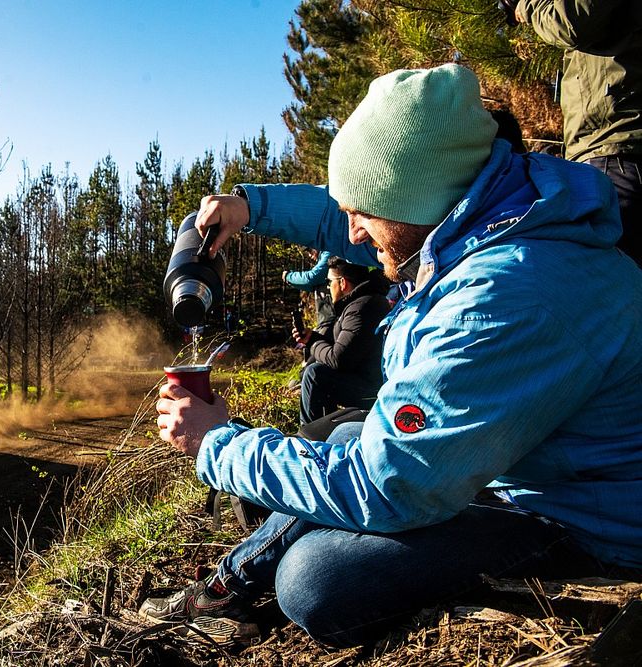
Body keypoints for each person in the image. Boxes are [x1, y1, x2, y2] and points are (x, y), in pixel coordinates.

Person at [144, 63, 642, 647]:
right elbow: (361, 210)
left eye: (365, 214)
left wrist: (216, 444)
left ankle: (238, 587)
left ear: (418, 200)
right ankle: (232, 586)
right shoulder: (494, 211)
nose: (350, 235)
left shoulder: (507, 299)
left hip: (582, 520)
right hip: (527, 462)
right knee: (338, 441)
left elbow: (386, 485)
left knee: (316, 579)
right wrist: (250, 209)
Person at [499, 0, 642, 265]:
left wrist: (526, 5)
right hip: (615, 145)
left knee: (610, 288)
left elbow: (570, 22)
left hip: (615, 145)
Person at [295, 256, 389, 427]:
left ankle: (309, 439)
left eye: (330, 282)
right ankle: (324, 430)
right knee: (318, 372)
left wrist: (313, 343)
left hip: (372, 390)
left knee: (315, 375)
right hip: (366, 379)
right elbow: (344, 350)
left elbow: (339, 360)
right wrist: (313, 338)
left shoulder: (360, 309)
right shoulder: (362, 303)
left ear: (343, 283)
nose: (329, 287)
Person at [283, 250, 334, 325]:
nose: (310, 255)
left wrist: (289, 276)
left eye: (309, 250)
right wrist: (290, 280)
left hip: (333, 316)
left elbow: (312, 278)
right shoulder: (322, 258)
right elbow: (311, 286)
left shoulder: (328, 253)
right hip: (327, 316)